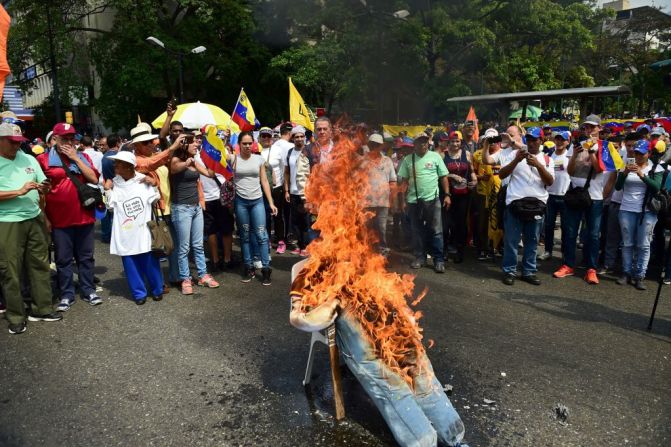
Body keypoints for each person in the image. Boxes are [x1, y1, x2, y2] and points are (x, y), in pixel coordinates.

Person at [0, 122, 62, 334]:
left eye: (19, 142)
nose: (17, 146)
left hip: (34, 216)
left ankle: (42, 308)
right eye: (12, 142)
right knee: (11, 270)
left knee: (40, 264)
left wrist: (45, 188)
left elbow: (43, 183)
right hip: (7, 221)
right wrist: (18, 191)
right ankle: (16, 316)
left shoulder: (29, 158)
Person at [37, 123, 102, 311]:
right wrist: (45, 218)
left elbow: (94, 179)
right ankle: (66, 294)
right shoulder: (43, 159)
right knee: (63, 259)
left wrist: (75, 158)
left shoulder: (83, 155)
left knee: (86, 257)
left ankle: (88, 290)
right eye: (64, 138)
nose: (69, 142)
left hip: (84, 216)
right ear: (54, 139)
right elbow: (40, 191)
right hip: (59, 219)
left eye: (71, 138)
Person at [553, 115, 613, 285]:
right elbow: (570, 171)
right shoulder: (576, 145)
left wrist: (593, 151)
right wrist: (574, 155)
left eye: (592, 127)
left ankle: (591, 268)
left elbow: (600, 169)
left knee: (593, 235)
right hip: (575, 194)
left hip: (594, 197)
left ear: (599, 128)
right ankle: (568, 265)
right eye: (586, 128)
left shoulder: (605, 146)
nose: (588, 131)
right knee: (570, 231)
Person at [105, 151, 163, 304]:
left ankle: (157, 289)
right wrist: (107, 190)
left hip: (143, 229)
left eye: (119, 163)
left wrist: (153, 184)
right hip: (125, 232)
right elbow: (110, 207)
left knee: (149, 261)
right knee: (130, 263)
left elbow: (155, 198)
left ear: (129, 167)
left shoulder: (142, 181)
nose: (115, 165)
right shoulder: (114, 183)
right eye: (115, 162)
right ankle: (139, 294)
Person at [499, 127, 554, 286]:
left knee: (532, 241)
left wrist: (538, 165)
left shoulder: (547, 159)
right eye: (528, 140)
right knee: (511, 240)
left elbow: (549, 182)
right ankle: (509, 271)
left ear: (541, 141)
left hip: (537, 205)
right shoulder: (513, 154)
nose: (531, 143)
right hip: (515, 204)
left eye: (534, 140)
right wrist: (517, 160)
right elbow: (502, 175)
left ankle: (528, 271)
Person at [169, 134, 220, 295]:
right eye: (194, 143)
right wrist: (186, 163)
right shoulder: (176, 160)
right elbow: (174, 169)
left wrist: (215, 159)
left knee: (198, 244)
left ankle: (203, 275)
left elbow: (209, 174)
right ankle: (186, 279)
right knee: (184, 247)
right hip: (181, 208)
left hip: (196, 207)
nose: (197, 145)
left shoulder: (194, 162)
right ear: (184, 145)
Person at [397, 132, 451, 273]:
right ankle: (420, 257)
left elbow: (444, 177)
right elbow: (403, 183)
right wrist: (402, 201)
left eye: (425, 141)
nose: (423, 144)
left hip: (433, 199)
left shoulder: (435, 157)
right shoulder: (408, 160)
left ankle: (438, 260)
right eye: (420, 141)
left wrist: (447, 195)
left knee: (437, 231)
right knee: (417, 230)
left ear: (428, 143)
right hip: (414, 201)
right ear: (414, 144)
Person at [614, 139, 663, 290]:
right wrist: (624, 173)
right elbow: (617, 187)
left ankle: (639, 275)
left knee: (643, 245)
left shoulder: (656, 168)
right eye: (636, 153)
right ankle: (626, 272)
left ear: (648, 153)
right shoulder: (626, 165)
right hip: (626, 209)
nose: (638, 156)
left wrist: (642, 175)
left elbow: (657, 188)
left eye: (641, 153)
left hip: (647, 211)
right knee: (627, 243)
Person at [232, 131, 278, 284]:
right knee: (244, 236)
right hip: (241, 202)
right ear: (239, 145)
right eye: (244, 143)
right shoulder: (233, 159)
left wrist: (271, 203)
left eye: (249, 143)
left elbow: (264, 181)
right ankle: (248, 266)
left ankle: (266, 269)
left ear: (253, 144)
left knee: (261, 236)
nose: (247, 146)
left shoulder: (259, 159)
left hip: (257, 201)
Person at [195, 150, 236, 271]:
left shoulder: (196, 156)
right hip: (221, 197)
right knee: (226, 230)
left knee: (211, 231)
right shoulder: (220, 152)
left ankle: (215, 260)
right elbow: (228, 171)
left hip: (207, 198)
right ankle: (227, 259)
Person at [444, 130, 477, 263]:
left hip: (463, 194)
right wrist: (451, 175)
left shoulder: (467, 154)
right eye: (452, 141)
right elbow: (439, 174)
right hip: (448, 194)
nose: (455, 144)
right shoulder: (443, 155)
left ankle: (460, 251)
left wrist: (474, 179)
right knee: (446, 223)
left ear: (461, 142)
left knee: (461, 223)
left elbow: (472, 170)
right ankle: (445, 249)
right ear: (448, 142)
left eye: (457, 141)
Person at [538, 131, 572, 261]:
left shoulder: (570, 157)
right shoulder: (549, 156)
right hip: (550, 195)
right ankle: (548, 251)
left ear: (567, 142)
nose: (559, 142)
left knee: (565, 226)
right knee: (548, 225)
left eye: (562, 140)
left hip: (565, 196)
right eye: (557, 139)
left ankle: (564, 252)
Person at [362, 133, 397, 255]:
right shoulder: (363, 161)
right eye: (372, 144)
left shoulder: (387, 161)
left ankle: (382, 251)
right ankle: (367, 252)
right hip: (366, 202)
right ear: (369, 145)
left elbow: (393, 181)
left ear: (381, 146)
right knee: (367, 229)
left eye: (377, 144)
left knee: (382, 229)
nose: (374, 147)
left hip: (383, 202)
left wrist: (392, 200)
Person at [266, 122, 294, 254]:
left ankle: (281, 239)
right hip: (264, 188)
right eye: (263, 136)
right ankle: (269, 239)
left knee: (279, 214)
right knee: (267, 215)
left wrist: (284, 185)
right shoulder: (258, 151)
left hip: (278, 186)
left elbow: (284, 168)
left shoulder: (276, 148)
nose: (266, 138)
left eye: (268, 136)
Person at [284, 126, 311, 256]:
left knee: (305, 220)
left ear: (304, 138)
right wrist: (286, 190)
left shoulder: (309, 151)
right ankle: (299, 245)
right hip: (293, 192)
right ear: (293, 138)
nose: (299, 139)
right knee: (294, 221)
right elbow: (287, 172)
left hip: (306, 193)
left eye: (301, 136)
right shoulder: (290, 153)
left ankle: (305, 245)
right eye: (296, 136)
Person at [100, 133, 120, 243]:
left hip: (108, 187)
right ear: (118, 142)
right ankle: (116, 237)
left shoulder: (104, 157)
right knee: (116, 214)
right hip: (117, 187)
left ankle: (110, 236)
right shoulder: (118, 156)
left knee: (110, 213)